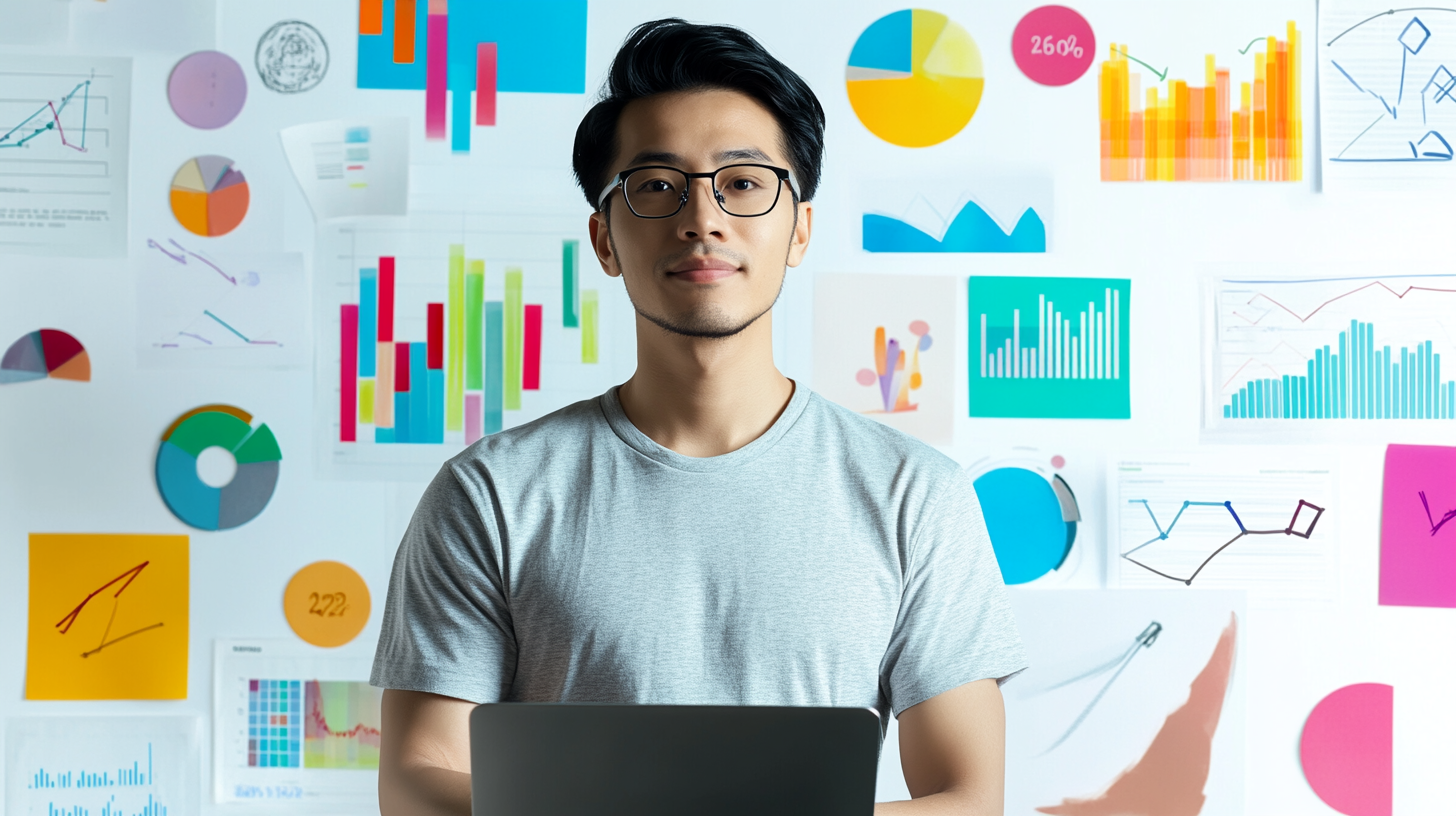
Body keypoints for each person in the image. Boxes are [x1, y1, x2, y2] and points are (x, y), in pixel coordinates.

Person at [372, 18, 1026, 816]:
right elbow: (416, 777)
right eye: (655, 187)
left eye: (744, 183)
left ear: (800, 229)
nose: (703, 218)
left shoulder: (916, 495)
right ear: (604, 240)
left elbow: (968, 797)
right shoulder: (491, 493)